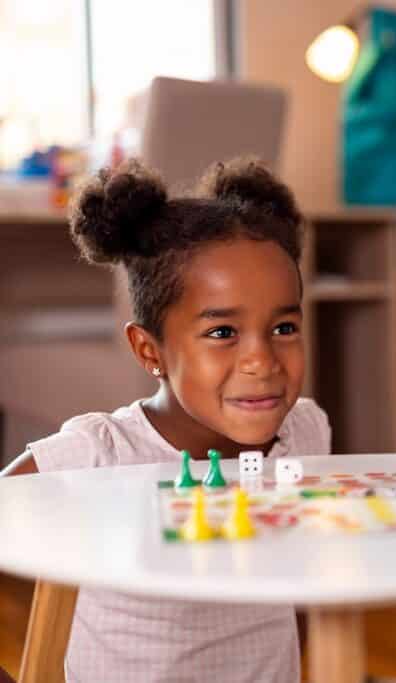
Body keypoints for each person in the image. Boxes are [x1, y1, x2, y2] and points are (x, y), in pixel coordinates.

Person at [0, 157, 330, 682]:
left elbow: (303, 590)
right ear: (149, 350)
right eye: (223, 333)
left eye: (284, 326)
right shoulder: (96, 456)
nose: (262, 360)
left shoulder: (306, 432)